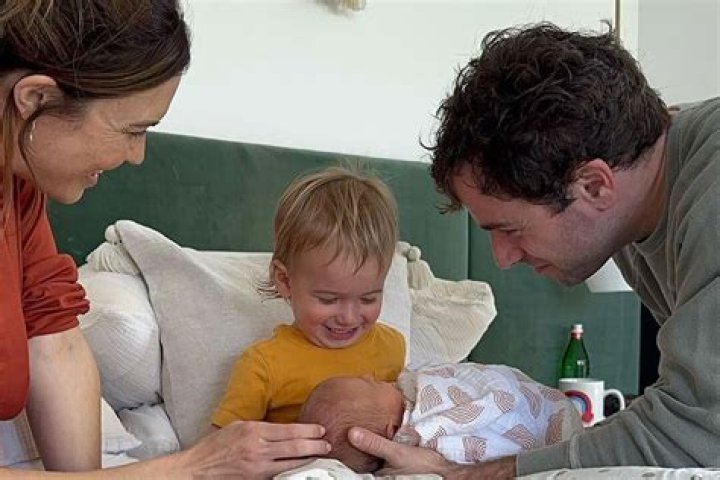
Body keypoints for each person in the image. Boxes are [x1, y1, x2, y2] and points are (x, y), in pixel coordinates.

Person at [348, 22, 720, 478]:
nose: (503, 258)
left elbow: (694, 432)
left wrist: (470, 475)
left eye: (511, 229)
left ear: (593, 185)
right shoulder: (639, 201)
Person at [0, 1, 328, 477]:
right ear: (35, 99)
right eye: (131, 131)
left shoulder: (19, 189)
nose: (138, 155)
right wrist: (191, 467)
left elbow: (54, 339)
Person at [212, 166, 406, 427]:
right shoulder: (263, 366)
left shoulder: (392, 348)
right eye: (328, 299)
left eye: (368, 299)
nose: (349, 318)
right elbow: (220, 444)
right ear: (284, 281)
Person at [299, 363, 582, 473]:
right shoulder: (427, 424)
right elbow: (499, 400)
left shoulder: (414, 383)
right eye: (369, 384)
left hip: (547, 407)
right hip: (552, 427)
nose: (369, 374)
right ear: (390, 430)